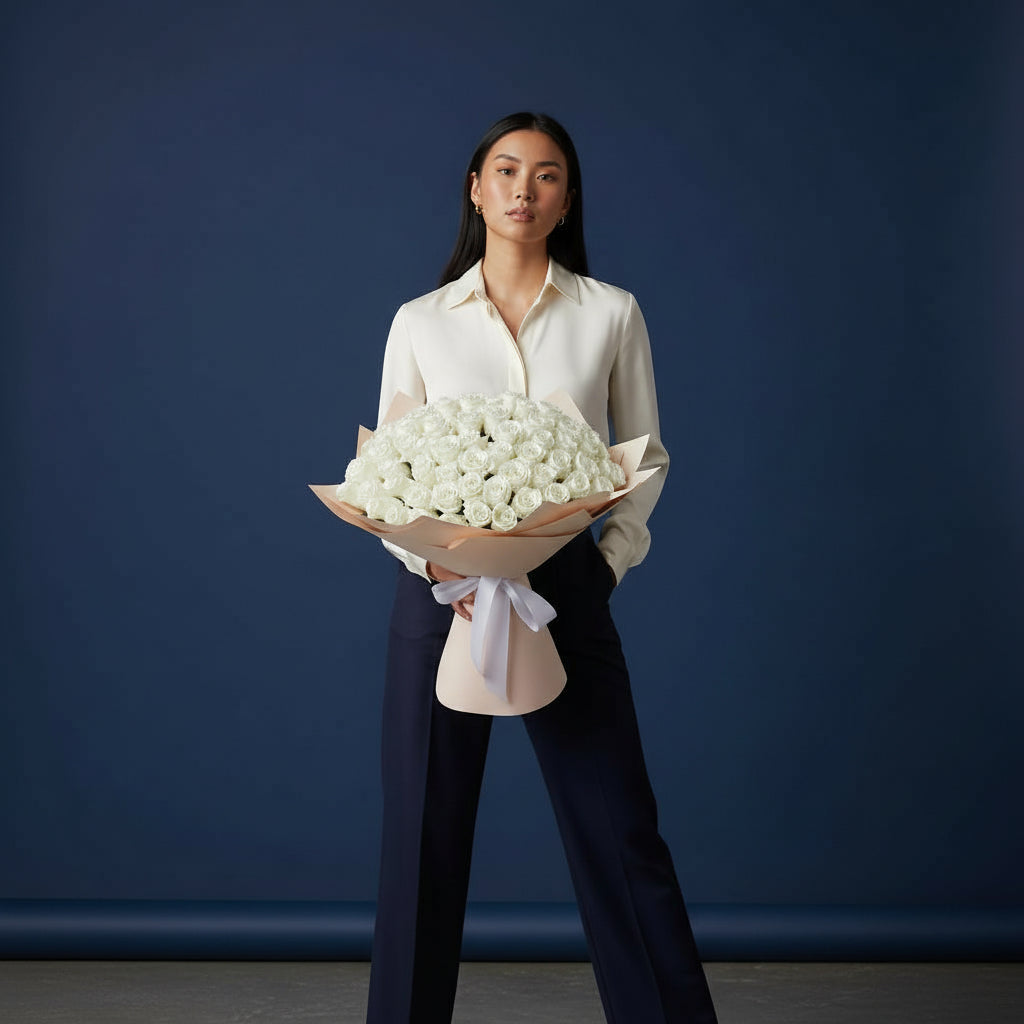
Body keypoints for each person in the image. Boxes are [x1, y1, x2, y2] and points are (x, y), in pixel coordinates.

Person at [366, 112, 718, 1024]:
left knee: (620, 832)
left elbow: (644, 455)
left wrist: (605, 567)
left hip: (563, 592)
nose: (526, 190)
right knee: (420, 842)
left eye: (549, 175)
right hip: (438, 597)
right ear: (476, 190)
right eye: (507, 170)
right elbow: (387, 468)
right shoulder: (420, 321)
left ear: (566, 200)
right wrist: (436, 566)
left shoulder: (611, 312)